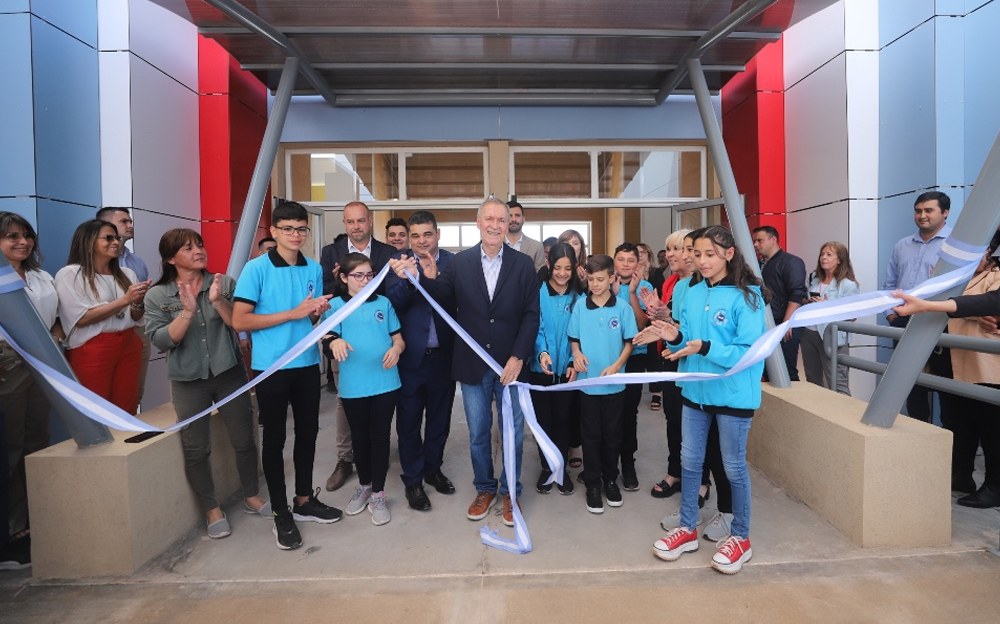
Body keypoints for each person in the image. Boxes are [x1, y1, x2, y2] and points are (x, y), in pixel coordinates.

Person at [388, 198, 540, 528]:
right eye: (489, 219)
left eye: (501, 220)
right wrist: (427, 278)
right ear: (478, 222)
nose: (495, 225)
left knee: (512, 434)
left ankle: (510, 493)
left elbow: (531, 315)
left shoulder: (523, 264)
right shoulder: (461, 263)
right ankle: (484, 488)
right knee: (478, 434)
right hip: (473, 365)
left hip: (510, 366)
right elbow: (441, 297)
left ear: (508, 224)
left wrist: (518, 356)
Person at [648, 225, 767, 575]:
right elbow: (688, 339)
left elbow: (748, 352)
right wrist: (674, 336)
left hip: (733, 395)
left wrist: (704, 347)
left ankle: (740, 537)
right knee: (689, 461)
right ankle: (687, 528)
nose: (701, 261)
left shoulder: (749, 297)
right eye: (696, 254)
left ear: (729, 254)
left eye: (709, 254)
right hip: (695, 392)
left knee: (733, 466)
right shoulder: (694, 291)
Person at [144, 229, 269, 539]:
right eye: (188, 248)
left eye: (199, 244)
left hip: (229, 373)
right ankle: (212, 510)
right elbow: (163, 340)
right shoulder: (158, 295)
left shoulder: (223, 283)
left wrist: (217, 301)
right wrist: (187, 312)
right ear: (171, 259)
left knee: (244, 439)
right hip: (188, 381)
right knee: (196, 448)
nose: (198, 251)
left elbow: (238, 323)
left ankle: (251, 495)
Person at [233, 200, 341, 551]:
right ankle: (281, 511)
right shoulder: (256, 269)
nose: (296, 235)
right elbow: (239, 320)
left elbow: (310, 318)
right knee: (275, 439)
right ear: (274, 231)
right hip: (272, 366)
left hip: (307, 364)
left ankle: (304, 499)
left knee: (308, 433)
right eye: (288, 229)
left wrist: (316, 313)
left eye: (301, 229)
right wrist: (293, 313)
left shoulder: (313, 267)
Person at [893, 235, 1000, 509]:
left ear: (989, 253)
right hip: (950, 363)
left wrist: (966, 310)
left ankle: (995, 486)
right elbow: (945, 303)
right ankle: (961, 475)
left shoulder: (995, 276)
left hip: (984, 367)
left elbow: (989, 303)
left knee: (990, 427)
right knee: (958, 423)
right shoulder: (951, 278)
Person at [384, 211, 458, 512]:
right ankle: (413, 480)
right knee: (409, 422)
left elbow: (455, 301)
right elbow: (393, 302)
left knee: (440, 420)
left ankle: (433, 469)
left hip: (444, 357)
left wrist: (431, 277)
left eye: (427, 234)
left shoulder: (453, 263)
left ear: (437, 234)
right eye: (415, 236)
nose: (421, 241)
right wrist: (408, 280)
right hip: (411, 359)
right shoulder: (397, 262)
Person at [319, 201, 395, 492]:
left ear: (370, 221)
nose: (356, 226)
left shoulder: (387, 252)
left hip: (379, 337)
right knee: (345, 402)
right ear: (344, 223)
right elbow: (328, 294)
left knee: (380, 410)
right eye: (350, 221)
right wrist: (342, 284)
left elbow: (391, 293)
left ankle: (376, 464)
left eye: (361, 220)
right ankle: (345, 459)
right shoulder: (331, 252)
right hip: (344, 340)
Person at [326, 253, 404, 526]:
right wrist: (333, 341)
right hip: (353, 385)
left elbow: (398, 338)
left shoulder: (383, 303)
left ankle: (378, 494)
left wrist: (396, 349)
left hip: (386, 382)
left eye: (369, 275)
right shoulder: (335, 306)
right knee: (359, 437)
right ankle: (364, 485)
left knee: (380, 437)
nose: (365, 280)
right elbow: (327, 338)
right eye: (358, 275)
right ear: (344, 277)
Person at [0, 213, 61, 555]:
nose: (23, 242)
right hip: (7, 364)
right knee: (9, 447)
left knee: (36, 443)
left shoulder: (42, 277)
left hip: (43, 363)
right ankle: (11, 532)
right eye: (12, 236)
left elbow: (57, 318)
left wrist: (55, 338)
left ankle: (32, 523)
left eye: (27, 235)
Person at [54, 219, 150, 414]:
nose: (115, 242)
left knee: (127, 406)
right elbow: (82, 318)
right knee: (96, 410)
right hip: (93, 346)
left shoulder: (127, 273)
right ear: (88, 241)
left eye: (117, 238)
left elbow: (135, 315)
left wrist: (138, 300)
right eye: (108, 238)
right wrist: (125, 300)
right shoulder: (70, 274)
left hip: (129, 341)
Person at [568, 254, 638, 513]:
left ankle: (610, 480)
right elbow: (574, 338)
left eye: (600, 279)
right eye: (591, 279)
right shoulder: (579, 306)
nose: (595, 284)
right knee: (590, 435)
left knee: (612, 434)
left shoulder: (622, 308)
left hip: (614, 385)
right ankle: (593, 484)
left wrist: (617, 366)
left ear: (612, 278)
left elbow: (629, 342)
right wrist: (576, 354)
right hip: (588, 384)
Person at [883, 191, 953, 422]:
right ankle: (917, 433)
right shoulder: (902, 245)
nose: (922, 215)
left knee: (946, 385)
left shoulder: (955, 245)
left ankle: (948, 439)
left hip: (940, 323)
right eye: (918, 211)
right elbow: (890, 284)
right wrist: (891, 315)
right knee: (908, 384)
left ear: (945, 213)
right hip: (903, 321)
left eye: (928, 210)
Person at [530, 242, 584, 496]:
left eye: (568, 268)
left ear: (574, 269)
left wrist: (573, 361)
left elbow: (580, 334)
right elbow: (535, 327)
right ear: (549, 265)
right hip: (541, 369)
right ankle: (546, 467)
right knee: (543, 420)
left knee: (564, 419)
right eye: (558, 267)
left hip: (568, 372)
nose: (562, 273)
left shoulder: (579, 298)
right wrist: (541, 353)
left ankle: (560, 469)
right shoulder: (537, 293)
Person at [96, 207, 151, 406]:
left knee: (133, 394)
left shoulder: (137, 262)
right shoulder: (87, 266)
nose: (130, 225)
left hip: (137, 330)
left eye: (130, 221)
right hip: (103, 335)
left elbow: (141, 301)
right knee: (103, 398)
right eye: (124, 221)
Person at [612, 242, 653, 491]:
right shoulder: (606, 282)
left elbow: (640, 325)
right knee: (608, 412)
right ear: (614, 261)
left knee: (628, 412)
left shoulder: (645, 287)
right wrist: (614, 293)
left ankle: (628, 464)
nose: (626, 264)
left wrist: (631, 294)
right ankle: (608, 464)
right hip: (608, 356)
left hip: (635, 357)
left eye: (631, 260)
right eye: (621, 259)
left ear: (637, 263)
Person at [800, 242, 860, 395]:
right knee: (813, 380)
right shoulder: (814, 278)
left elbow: (852, 315)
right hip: (809, 334)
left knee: (837, 382)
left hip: (832, 337)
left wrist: (827, 306)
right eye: (822, 254)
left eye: (829, 254)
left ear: (839, 260)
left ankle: (843, 411)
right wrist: (808, 302)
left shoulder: (849, 285)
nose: (823, 258)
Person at [752, 225, 807, 381]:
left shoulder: (791, 262)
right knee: (767, 371)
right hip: (766, 324)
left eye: (760, 241)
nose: (756, 245)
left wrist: (787, 323)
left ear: (773, 240)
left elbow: (797, 294)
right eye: (755, 241)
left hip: (784, 324)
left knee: (786, 371)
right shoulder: (759, 264)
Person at [557, 228, 589, 468]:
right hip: (559, 343)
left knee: (578, 403)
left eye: (576, 242)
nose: (572, 246)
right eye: (567, 242)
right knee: (560, 404)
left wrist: (586, 282)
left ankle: (575, 445)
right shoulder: (553, 273)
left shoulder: (589, 271)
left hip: (583, 342)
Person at [506, 200, 546, 272]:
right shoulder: (495, 245)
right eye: (510, 216)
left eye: (517, 215)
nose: (513, 219)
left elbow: (540, 276)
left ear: (523, 219)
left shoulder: (536, 247)